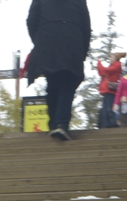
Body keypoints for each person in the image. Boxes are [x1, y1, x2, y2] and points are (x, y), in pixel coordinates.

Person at [26, 0, 93, 140]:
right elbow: (86, 27)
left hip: (48, 43)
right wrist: (82, 52)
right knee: (67, 85)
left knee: (52, 83)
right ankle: (61, 124)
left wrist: (40, 41)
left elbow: (31, 21)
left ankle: (54, 125)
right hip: (72, 44)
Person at [94, 49, 125, 128]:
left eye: (111, 57)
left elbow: (104, 71)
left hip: (110, 91)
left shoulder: (117, 65)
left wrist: (99, 62)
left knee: (109, 108)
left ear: (115, 58)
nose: (110, 59)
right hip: (108, 91)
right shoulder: (114, 66)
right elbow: (102, 72)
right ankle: (108, 124)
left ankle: (112, 124)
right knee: (106, 109)